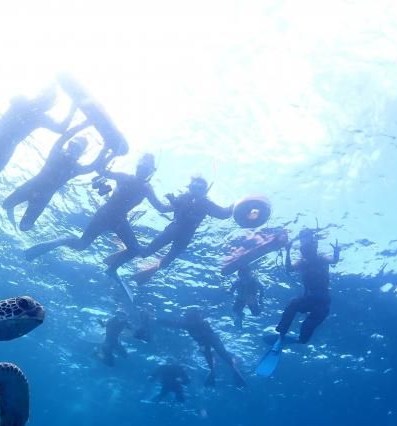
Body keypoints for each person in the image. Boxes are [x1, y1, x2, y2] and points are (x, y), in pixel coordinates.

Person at [23, 154, 169, 264]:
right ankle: (62, 241)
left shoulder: (137, 183)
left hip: (112, 217)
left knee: (85, 245)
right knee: (84, 245)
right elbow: (161, 208)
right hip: (112, 218)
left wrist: (176, 205)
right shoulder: (136, 183)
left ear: (150, 171)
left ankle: (111, 268)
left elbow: (162, 208)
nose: (142, 171)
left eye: (145, 169)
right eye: (141, 167)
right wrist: (107, 157)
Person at [0, 87, 76, 202]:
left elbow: (61, 129)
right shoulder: (32, 110)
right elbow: (61, 128)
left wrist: (72, 106)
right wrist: (73, 107)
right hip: (0, 144)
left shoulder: (28, 106)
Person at [105, 176, 235, 283]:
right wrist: (169, 199)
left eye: (200, 188)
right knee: (145, 252)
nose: (197, 191)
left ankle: (145, 272)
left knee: (167, 261)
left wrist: (237, 205)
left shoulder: (207, 204)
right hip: (173, 230)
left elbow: (224, 214)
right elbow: (167, 208)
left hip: (185, 237)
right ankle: (119, 258)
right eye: (195, 187)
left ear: (205, 191)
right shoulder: (184, 198)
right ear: (190, 187)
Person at [3, 120, 113, 231]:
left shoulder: (75, 168)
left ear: (80, 154)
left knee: (24, 227)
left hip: (42, 198)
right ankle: (12, 207)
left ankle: (14, 208)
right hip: (31, 188)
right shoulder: (57, 154)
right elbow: (65, 136)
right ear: (68, 146)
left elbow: (93, 166)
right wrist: (83, 125)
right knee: (5, 205)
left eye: (77, 149)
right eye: (72, 145)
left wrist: (107, 150)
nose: (72, 150)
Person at [276, 229, 340, 343]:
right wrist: (287, 251)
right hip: (313, 300)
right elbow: (289, 268)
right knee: (295, 306)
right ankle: (283, 332)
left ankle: (292, 335)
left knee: (306, 323)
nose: (305, 252)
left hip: (322, 302)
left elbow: (334, 260)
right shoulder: (303, 262)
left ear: (314, 248)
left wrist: (336, 252)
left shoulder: (320, 258)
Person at [160, 306, 246, 387]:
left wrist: (161, 321)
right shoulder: (201, 321)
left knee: (211, 359)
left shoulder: (188, 324)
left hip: (204, 343)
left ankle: (214, 371)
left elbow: (174, 324)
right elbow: (177, 324)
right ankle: (233, 371)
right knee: (224, 356)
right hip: (213, 340)